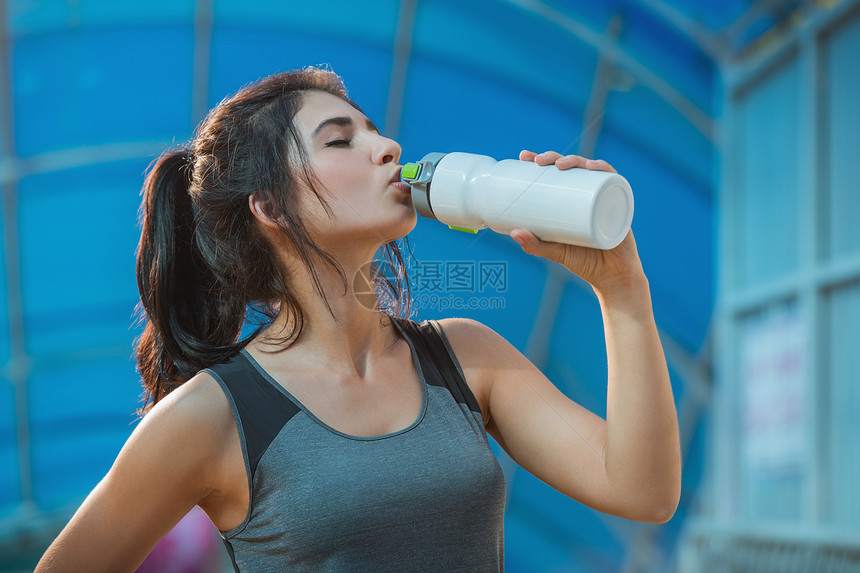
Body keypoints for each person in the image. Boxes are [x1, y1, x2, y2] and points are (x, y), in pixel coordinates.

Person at [36, 67, 681, 572]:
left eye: (375, 131)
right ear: (270, 206)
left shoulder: (463, 357)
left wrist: (622, 292)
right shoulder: (214, 415)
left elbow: (642, 491)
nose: (387, 147)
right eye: (341, 139)